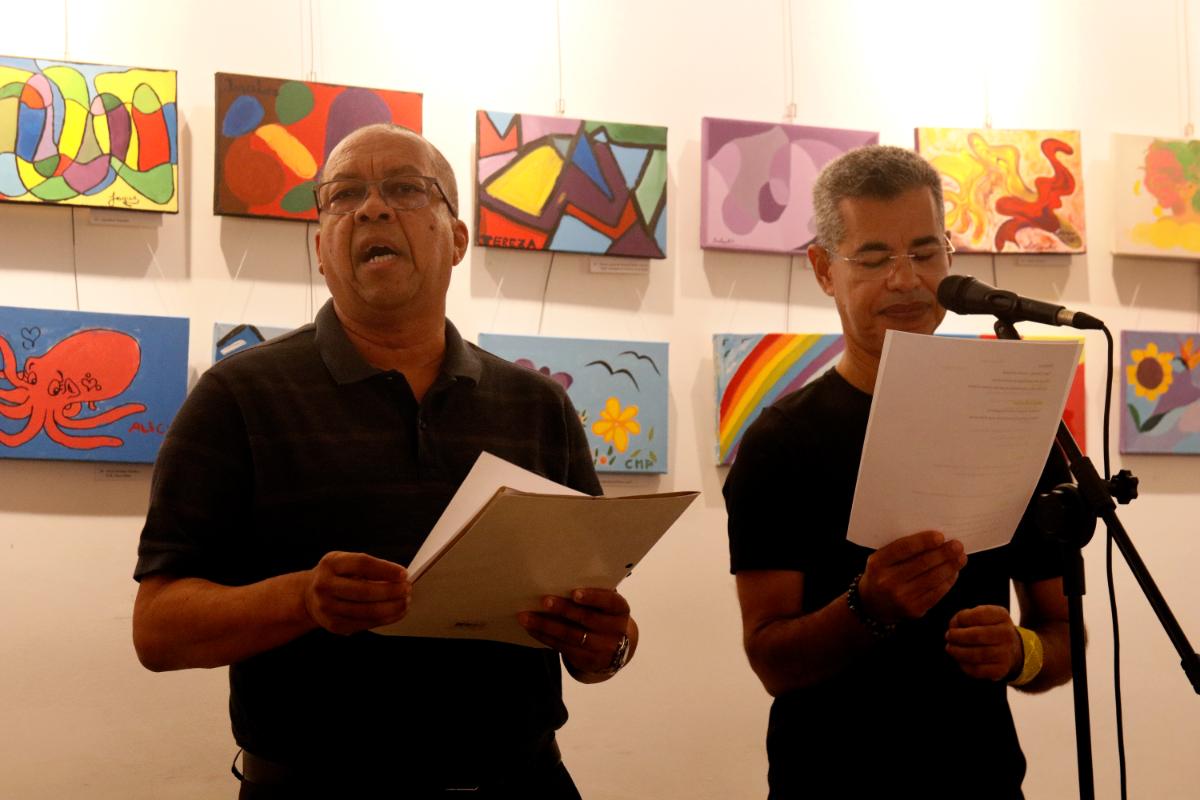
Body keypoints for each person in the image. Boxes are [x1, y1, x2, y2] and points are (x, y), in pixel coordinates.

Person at [133, 123, 637, 798]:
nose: (371, 208)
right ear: (321, 248)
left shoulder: (538, 405)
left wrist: (608, 644)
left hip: (524, 783)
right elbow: (157, 630)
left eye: (405, 188)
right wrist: (303, 599)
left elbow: (597, 630)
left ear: (457, 240)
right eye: (344, 195)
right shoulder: (237, 397)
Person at [724, 145, 1073, 799]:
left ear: (950, 256)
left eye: (924, 252)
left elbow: (1060, 634)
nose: (906, 280)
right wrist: (869, 607)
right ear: (824, 270)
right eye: (875, 258)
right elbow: (770, 660)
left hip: (985, 782)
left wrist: (1018, 652)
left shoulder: (1012, 419)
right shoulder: (781, 442)